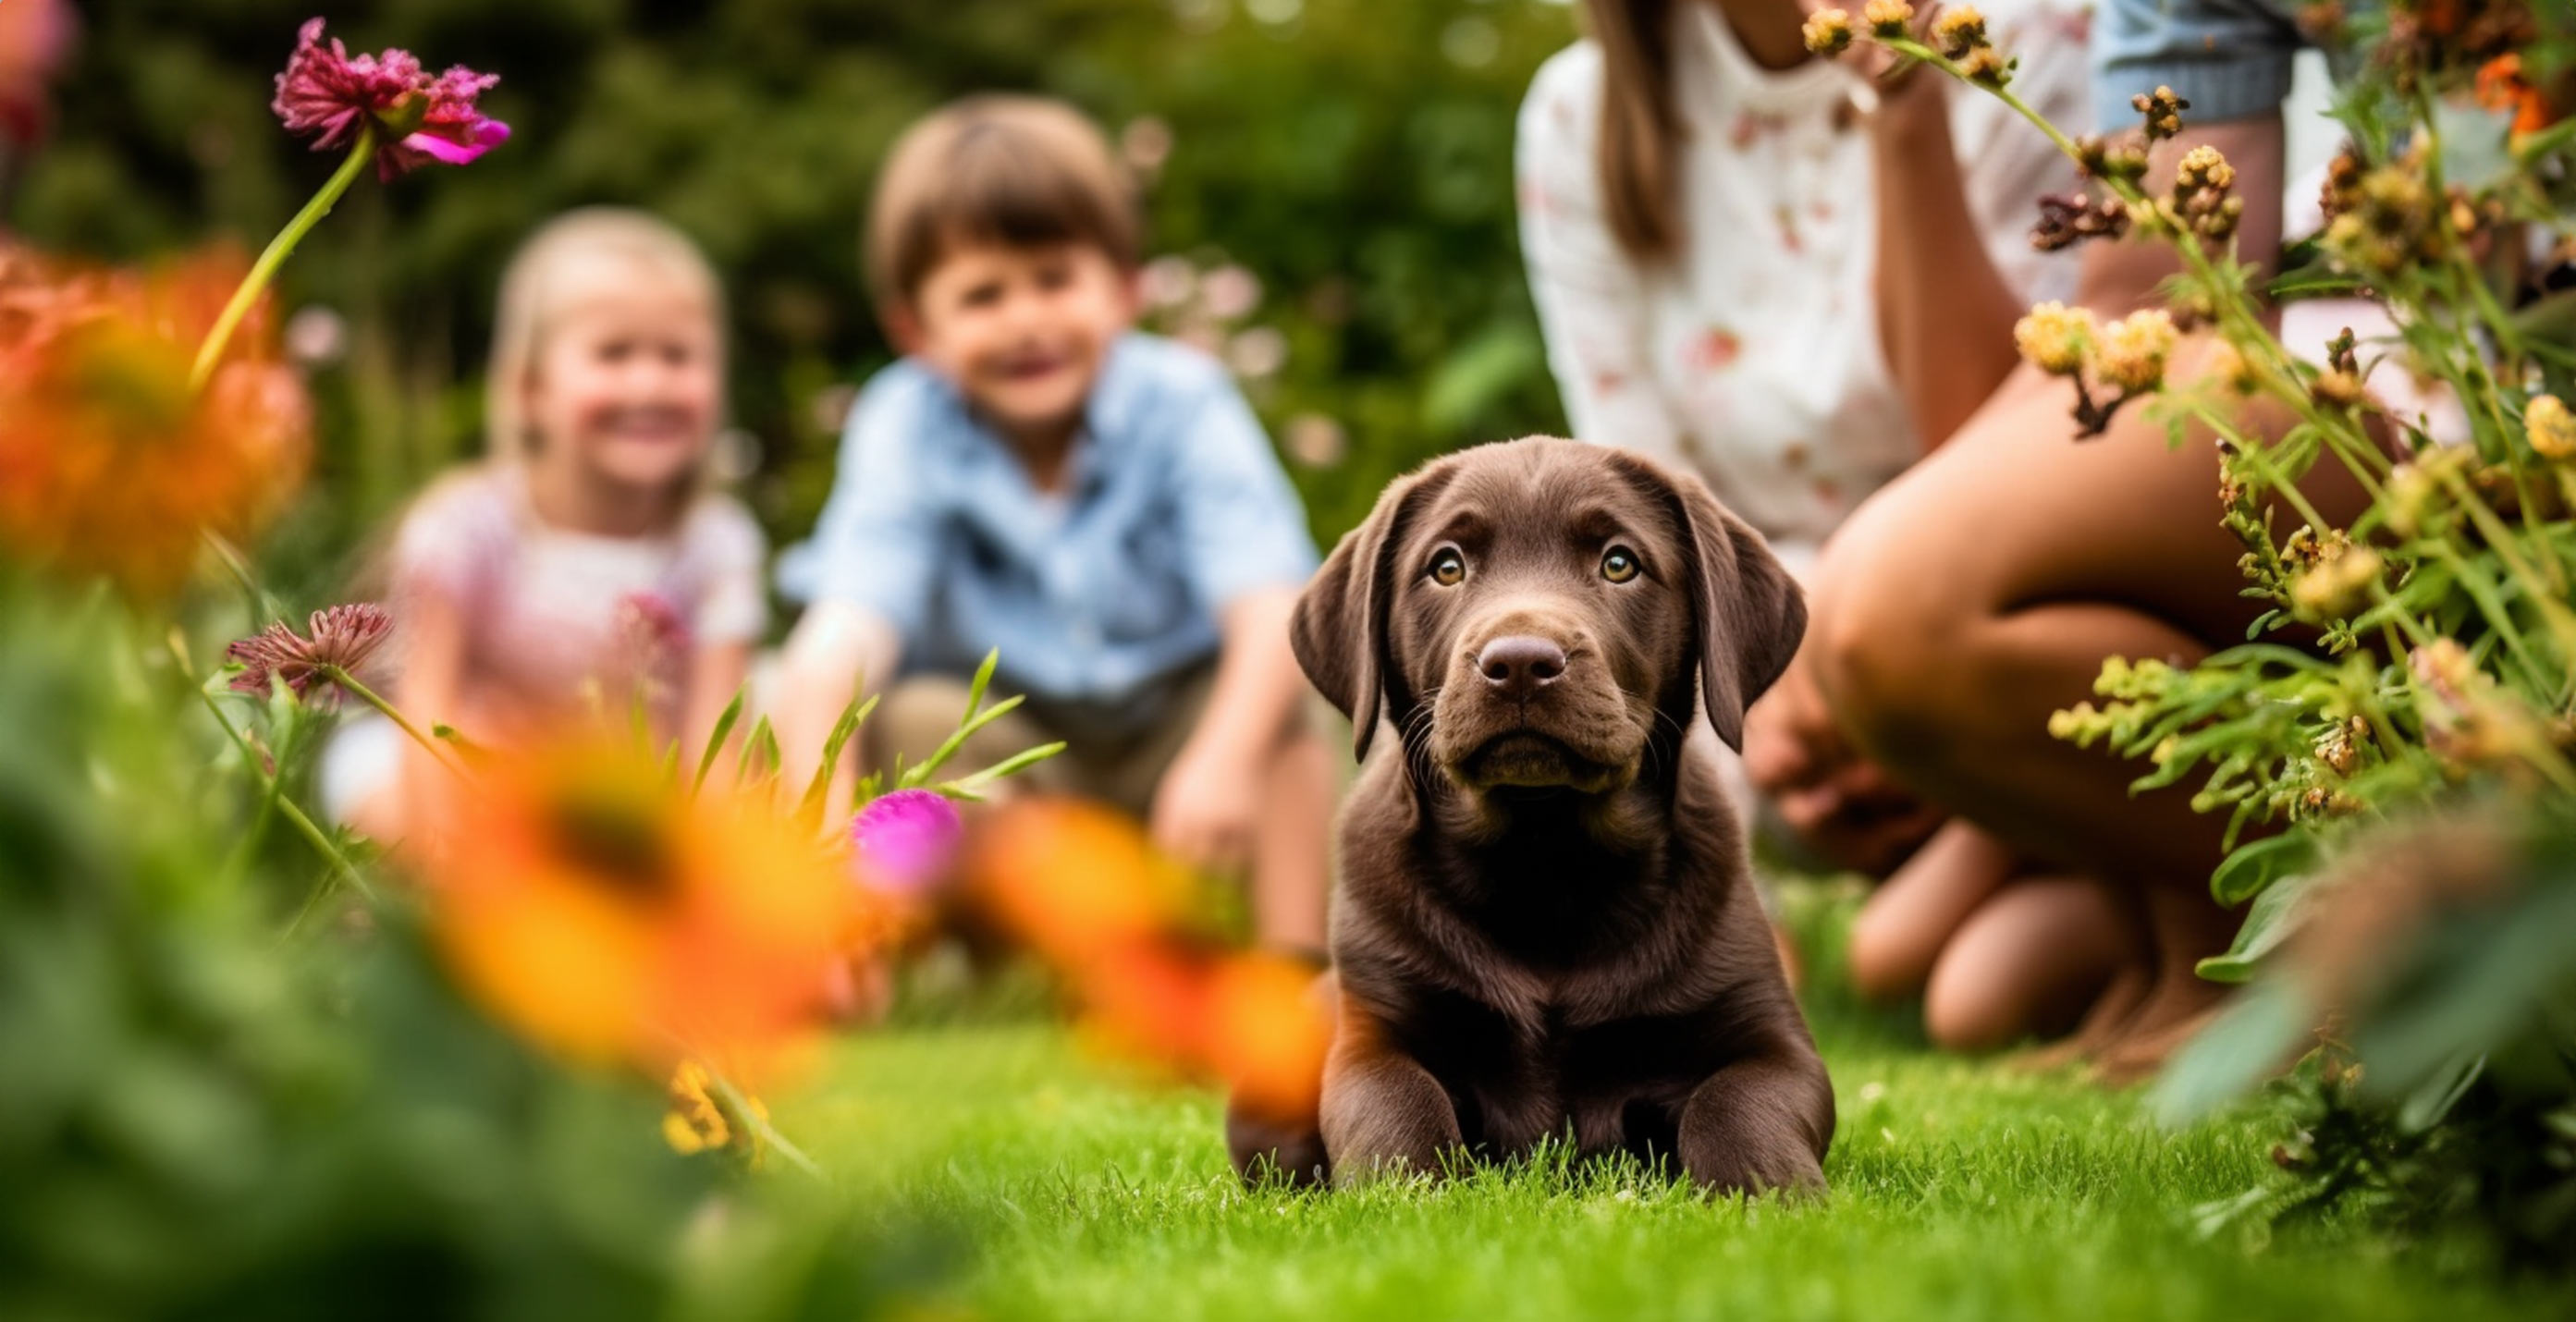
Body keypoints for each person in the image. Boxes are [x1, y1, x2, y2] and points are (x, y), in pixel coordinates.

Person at [1795, 0, 2377, 1074]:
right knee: (1971, 986)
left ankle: (2374, 912)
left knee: (1894, 605)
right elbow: (2162, 295)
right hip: (2337, 379)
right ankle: (2214, 942)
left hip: (2456, 363)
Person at [1515, 0, 2112, 1043]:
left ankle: (2101, 875)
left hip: (1991, 590)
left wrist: (1907, 105)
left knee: (1942, 971)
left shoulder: (2028, 36)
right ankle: (1697, 949)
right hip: (1767, 653)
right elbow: (1638, 516)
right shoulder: (1582, 114)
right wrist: (1764, 660)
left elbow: (2015, 452)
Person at [772, 95, 1333, 955]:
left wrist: (1221, 761)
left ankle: (1306, 971)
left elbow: (1272, 608)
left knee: (1284, 709)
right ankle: (1030, 959)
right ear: (915, 329)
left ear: (1123, 289)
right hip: (1025, 769)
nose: (1027, 320)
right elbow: (841, 635)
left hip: (1173, 742)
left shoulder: (1182, 401)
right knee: (914, 721)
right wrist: (816, 850)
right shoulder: (904, 422)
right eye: (984, 294)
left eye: (1054, 280)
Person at [325, 208, 766, 840]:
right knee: (382, 796)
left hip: (625, 794)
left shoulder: (716, 543)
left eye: (678, 356)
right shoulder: (466, 525)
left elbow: (716, 746)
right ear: (531, 390)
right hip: (463, 774)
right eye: (613, 354)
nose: (650, 383)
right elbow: (425, 715)